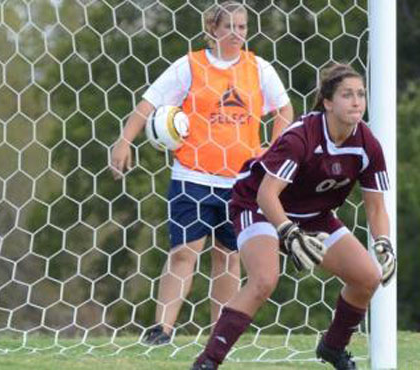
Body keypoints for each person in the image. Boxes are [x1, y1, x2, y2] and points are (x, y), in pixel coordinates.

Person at [109, 1, 293, 345]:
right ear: (212, 29)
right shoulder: (190, 66)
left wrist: (274, 147)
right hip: (192, 178)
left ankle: (219, 336)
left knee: (228, 257)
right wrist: (123, 141)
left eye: (242, 27)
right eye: (230, 27)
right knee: (183, 253)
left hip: (240, 183)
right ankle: (162, 329)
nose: (237, 34)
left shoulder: (259, 69)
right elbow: (147, 104)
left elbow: (284, 108)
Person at [191, 63, 395, 370]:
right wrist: (288, 232)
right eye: (347, 94)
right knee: (264, 280)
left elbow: (376, 207)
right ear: (327, 102)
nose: (356, 101)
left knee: (367, 278)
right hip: (257, 205)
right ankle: (207, 362)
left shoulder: (367, 144)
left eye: (361, 94)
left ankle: (332, 347)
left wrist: (383, 242)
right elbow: (266, 194)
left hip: (313, 216)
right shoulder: (302, 136)